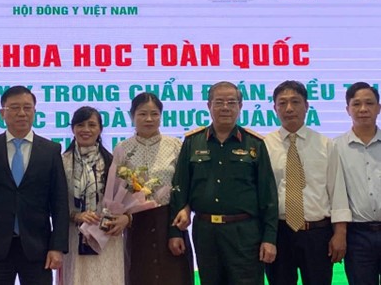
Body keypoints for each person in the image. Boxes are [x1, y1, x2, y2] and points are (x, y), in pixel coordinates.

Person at [170, 81, 277, 285]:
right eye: (219, 102)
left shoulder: (254, 143)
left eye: (231, 102)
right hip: (206, 232)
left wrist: (269, 238)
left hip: (245, 233)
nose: (225, 107)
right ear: (209, 105)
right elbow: (180, 188)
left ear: (240, 106)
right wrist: (175, 232)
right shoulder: (193, 142)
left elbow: (268, 196)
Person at [0, 85, 69, 285]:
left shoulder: (50, 150)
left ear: (34, 112)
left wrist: (57, 247)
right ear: (2, 113)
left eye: (27, 108)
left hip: (37, 247)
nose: (21, 113)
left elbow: (59, 203)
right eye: (14, 108)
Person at [264, 80, 351, 285]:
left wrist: (340, 233)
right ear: (275, 108)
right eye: (282, 103)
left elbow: (337, 191)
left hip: (317, 234)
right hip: (279, 233)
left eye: (295, 102)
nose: (289, 108)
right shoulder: (264, 146)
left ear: (306, 106)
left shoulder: (326, 144)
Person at [113, 92, 193, 285]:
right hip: (136, 224)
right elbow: (116, 190)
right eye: (142, 114)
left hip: (170, 221)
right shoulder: (122, 148)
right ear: (132, 115)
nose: (149, 119)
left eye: (154, 114)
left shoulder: (175, 145)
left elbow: (186, 184)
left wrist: (186, 210)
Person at [58, 106, 124, 285]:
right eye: (80, 125)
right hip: (74, 236)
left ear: (100, 129)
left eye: (92, 125)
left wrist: (123, 217)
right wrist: (76, 215)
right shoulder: (62, 162)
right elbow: (54, 203)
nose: (86, 129)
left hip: (107, 237)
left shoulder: (113, 163)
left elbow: (124, 201)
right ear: (73, 128)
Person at [335, 82, 381, 285]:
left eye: (369, 103)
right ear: (348, 109)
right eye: (356, 104)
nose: (363, 109)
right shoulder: (335, 147)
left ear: (378, 108)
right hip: (357, 236)